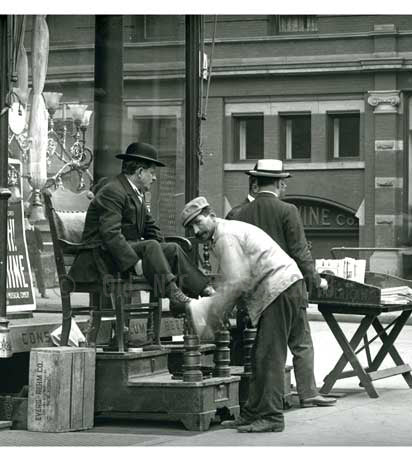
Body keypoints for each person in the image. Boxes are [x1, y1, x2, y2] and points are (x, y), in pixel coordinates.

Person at [182, 196, 318, 433]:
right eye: (190, 228)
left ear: (211, 214)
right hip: (282, 287)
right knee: (258, 356)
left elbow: (236, 280)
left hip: (280, 287)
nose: (195, 231)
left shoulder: (225, 236)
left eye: (198, 222)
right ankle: (252, 413)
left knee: (269, 356)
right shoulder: (222, 234)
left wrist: (211, 311)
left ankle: (272, 417)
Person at [232, 159, 336, 408]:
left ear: (256, 182)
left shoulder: (237, 214)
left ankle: (272, 396)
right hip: (289, 285)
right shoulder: (288, 211)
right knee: (301, 341)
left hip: (259, 290)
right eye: (284, 182)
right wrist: (316, 281)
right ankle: (308, 393)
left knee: (270, 347)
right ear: (279, 183)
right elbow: (300, 252)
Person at [68, 142, 211, 311]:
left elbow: (151, 229)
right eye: (152, 172)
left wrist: (163, 253)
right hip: (99, 258)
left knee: (172, 248)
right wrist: (134, 262)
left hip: (116, 254)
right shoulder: (112, 191)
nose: (155, 177)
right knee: (150, 246)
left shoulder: (134, 193)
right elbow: (110, 234)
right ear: (140, 172)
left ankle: (205, 291)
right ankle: (175, 295)